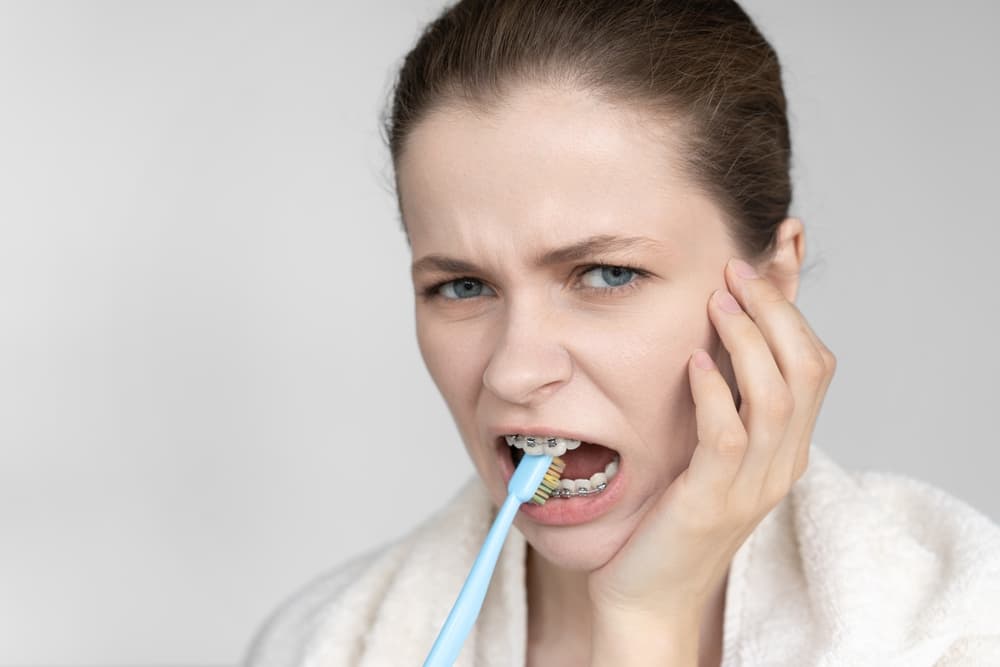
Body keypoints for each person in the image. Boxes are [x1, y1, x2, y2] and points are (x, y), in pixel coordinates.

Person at [243, 1, 1000, 665]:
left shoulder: (959, 630)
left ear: (769, 286)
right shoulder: (320, 644)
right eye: (463, 286)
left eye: (607, 274)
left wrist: (647, 619)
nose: (513, 371)